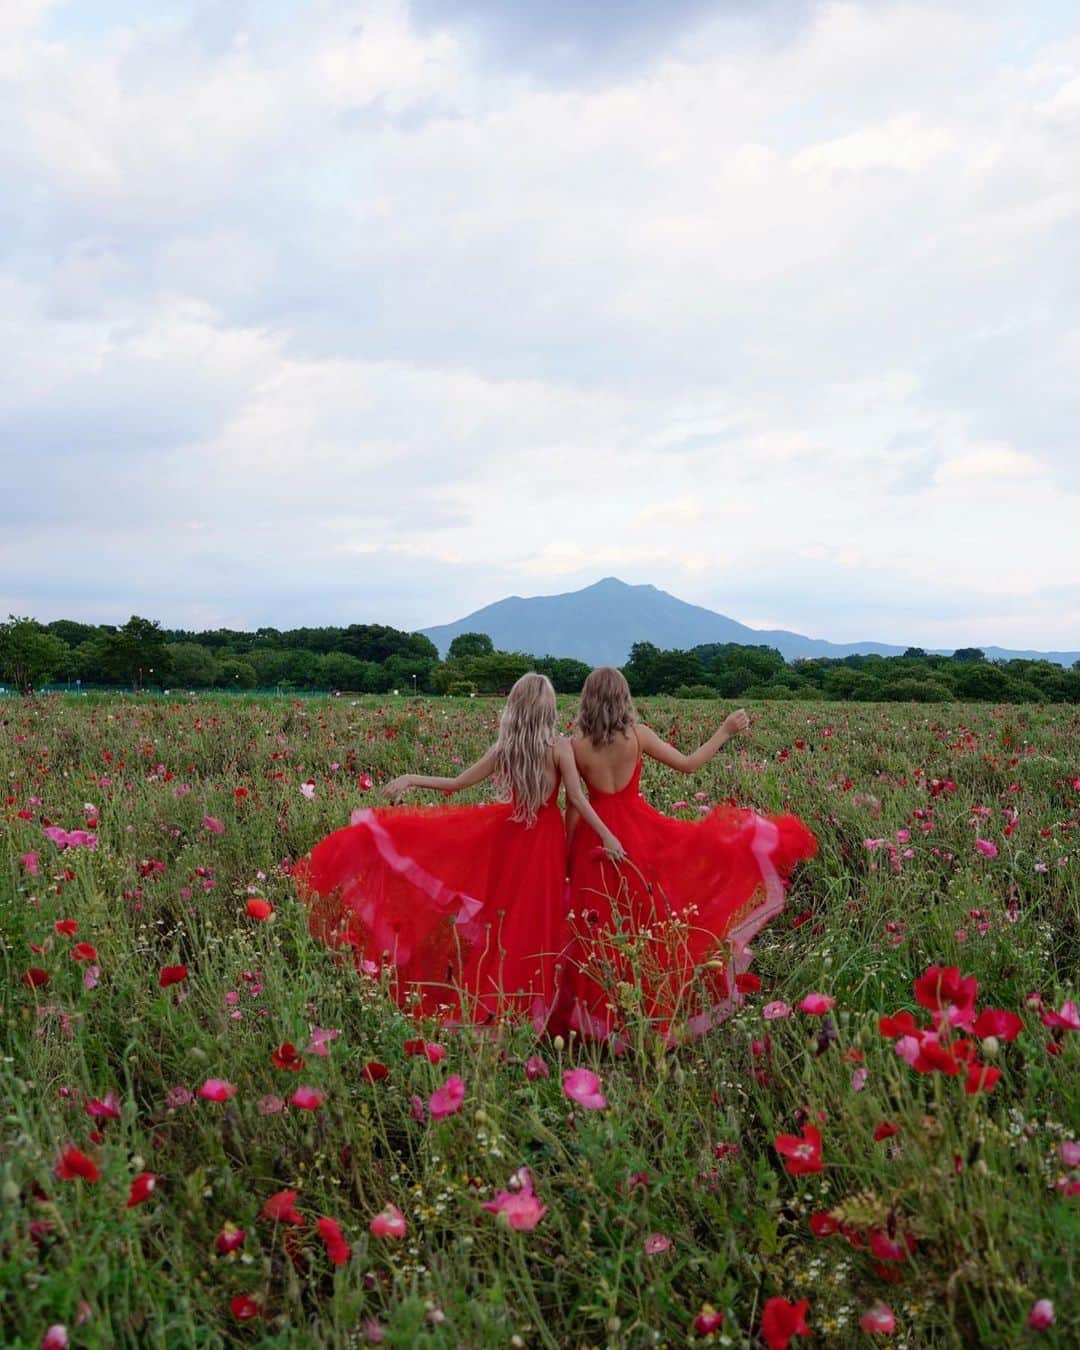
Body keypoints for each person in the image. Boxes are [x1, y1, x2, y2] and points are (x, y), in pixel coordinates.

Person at [295, 673, 624, 1033]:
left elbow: (455, 785)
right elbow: (576, 799)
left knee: (506, 926)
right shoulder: (559, 747)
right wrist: (607, 835)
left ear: (515, 707)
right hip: (544, 841)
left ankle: (501, 1009)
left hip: (511, 838)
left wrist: (412, 777)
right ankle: (529, 1010)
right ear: (547, 710)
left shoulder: (504, 749)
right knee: (537, 922)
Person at [564, 667, 817, 1045]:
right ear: (624, 697)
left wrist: (568, 856)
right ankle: (648, 1013)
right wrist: (725, 730)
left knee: (597, 927)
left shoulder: (574, 745)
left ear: (587, 698)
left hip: (594, 838)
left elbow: (573, 806)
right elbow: (688, 764)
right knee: (645, 922)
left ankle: (600, 1021)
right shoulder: (638, 736)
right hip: (639, 831)